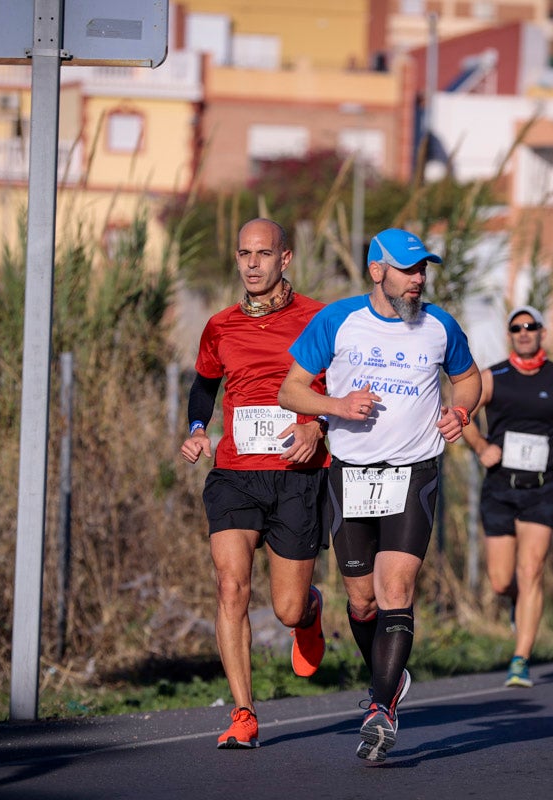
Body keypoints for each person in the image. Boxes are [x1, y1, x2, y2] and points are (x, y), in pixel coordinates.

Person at [278, 227, 482, 764]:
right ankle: (388, 681)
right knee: (362, 598)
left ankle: (381, 708)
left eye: (423, 271)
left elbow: (468, 378)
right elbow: (290, 388)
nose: (418, 280)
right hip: (350, 474)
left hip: (415, 469)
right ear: (377, 271)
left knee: (397, 587)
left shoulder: (439, 326)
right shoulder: (337, 321)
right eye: (409, 270)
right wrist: (337, 405)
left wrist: (461, 412)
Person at [180, 218, 328, 749]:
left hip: (296, 476)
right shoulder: (220, 325)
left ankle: (309, 609)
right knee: (230, 586)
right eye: (244, 253)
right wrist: (198, 428)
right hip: (235, 474)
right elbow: (204, 384)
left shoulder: (318, 319)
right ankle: (244, 711)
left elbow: (345, 390)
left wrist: (318, 424)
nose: (251, 264)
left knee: (285, 608)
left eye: (263, 254)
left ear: (284, 259)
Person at [461, 305, 553, 688]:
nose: (524, 332)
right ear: (510, 334)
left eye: (531, 326)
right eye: (517, 328)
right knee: (500, 581)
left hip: (541, 488)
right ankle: (516, 603)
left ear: (542, 332)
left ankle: (520, 658)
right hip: (499, 486)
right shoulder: (492, 377)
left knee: (531, 571)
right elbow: (462, 415)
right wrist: (481, 447)